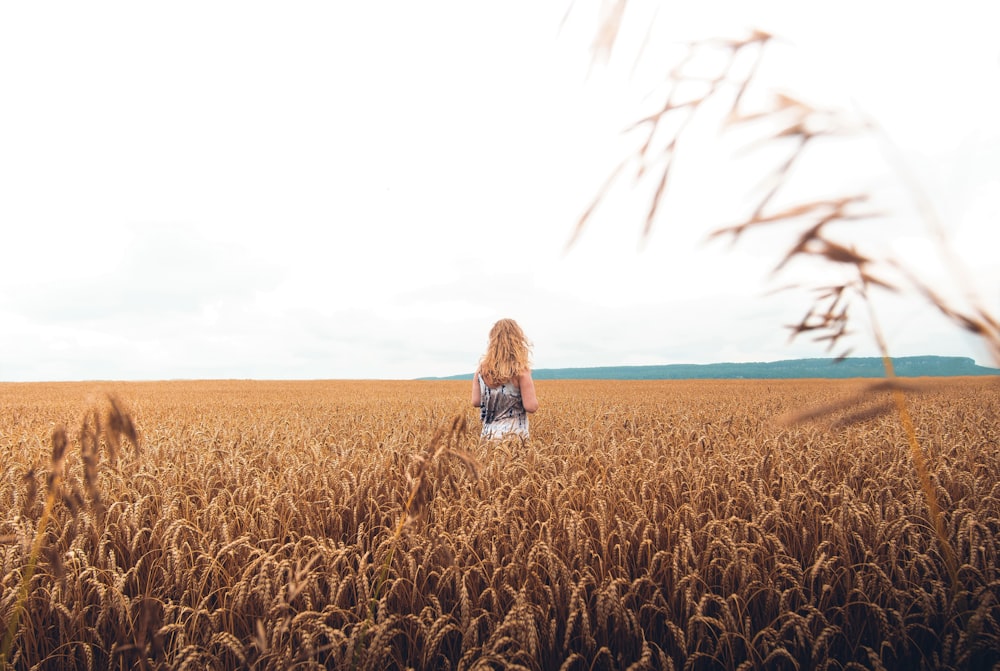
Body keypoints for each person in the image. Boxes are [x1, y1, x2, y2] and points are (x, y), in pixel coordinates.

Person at [471, 318, 539, 439]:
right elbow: (531, 406)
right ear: (518, 340)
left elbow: (476, 401)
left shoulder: (481, 370)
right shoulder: (521, 371)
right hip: (515, 437)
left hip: (488, 436)